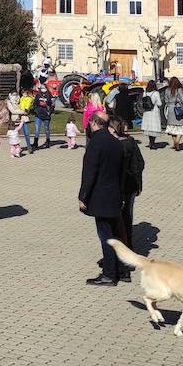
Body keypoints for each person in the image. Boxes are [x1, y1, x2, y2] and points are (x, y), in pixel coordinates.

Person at [78, 112, 127, 285]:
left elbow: (89, 172)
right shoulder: (116, 142)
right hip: (114, 196)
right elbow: (122, 172)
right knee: (116, 235)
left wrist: (83, 196)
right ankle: (121, 270)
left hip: (101, 197)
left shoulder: (95, 143)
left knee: (105, 235)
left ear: (93, 123)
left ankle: (109, 274)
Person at [112, 115, 144, 259]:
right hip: (131, 185)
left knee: (117, 218)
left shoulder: (116, 144)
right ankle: (128, 244)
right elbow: (140, 164)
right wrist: (138, 183)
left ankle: (122, 247)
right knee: (127, 216)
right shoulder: (131, 143)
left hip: (119, 186)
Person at [160, 78, 183, 151]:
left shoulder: (167, 90)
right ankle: (177, 142)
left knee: (172, 127)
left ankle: (174, 142)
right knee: (181, 127)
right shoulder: (179, 90)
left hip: (170, 109)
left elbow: (166, 100)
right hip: (178, 109)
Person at [29, 81, 54, 151]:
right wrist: (36, 110)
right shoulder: (38, 95)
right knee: (37, 130)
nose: (43, 89)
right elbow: (35, 103)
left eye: (44, 88)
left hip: (46, 115)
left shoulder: (49, 95)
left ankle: (48, 141)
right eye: (42, 88)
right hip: (38, 114)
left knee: (47, 129)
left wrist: (50, 111)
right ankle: (35, 143)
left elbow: (52, 104)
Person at [138, 80, 163, 149]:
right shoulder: (156, 93)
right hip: (154, 111)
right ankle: (153, 143)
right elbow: (159, 103)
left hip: (146, 111)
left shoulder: (145, 93)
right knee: (154, 128)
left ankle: (150, 142)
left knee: (149, 128)